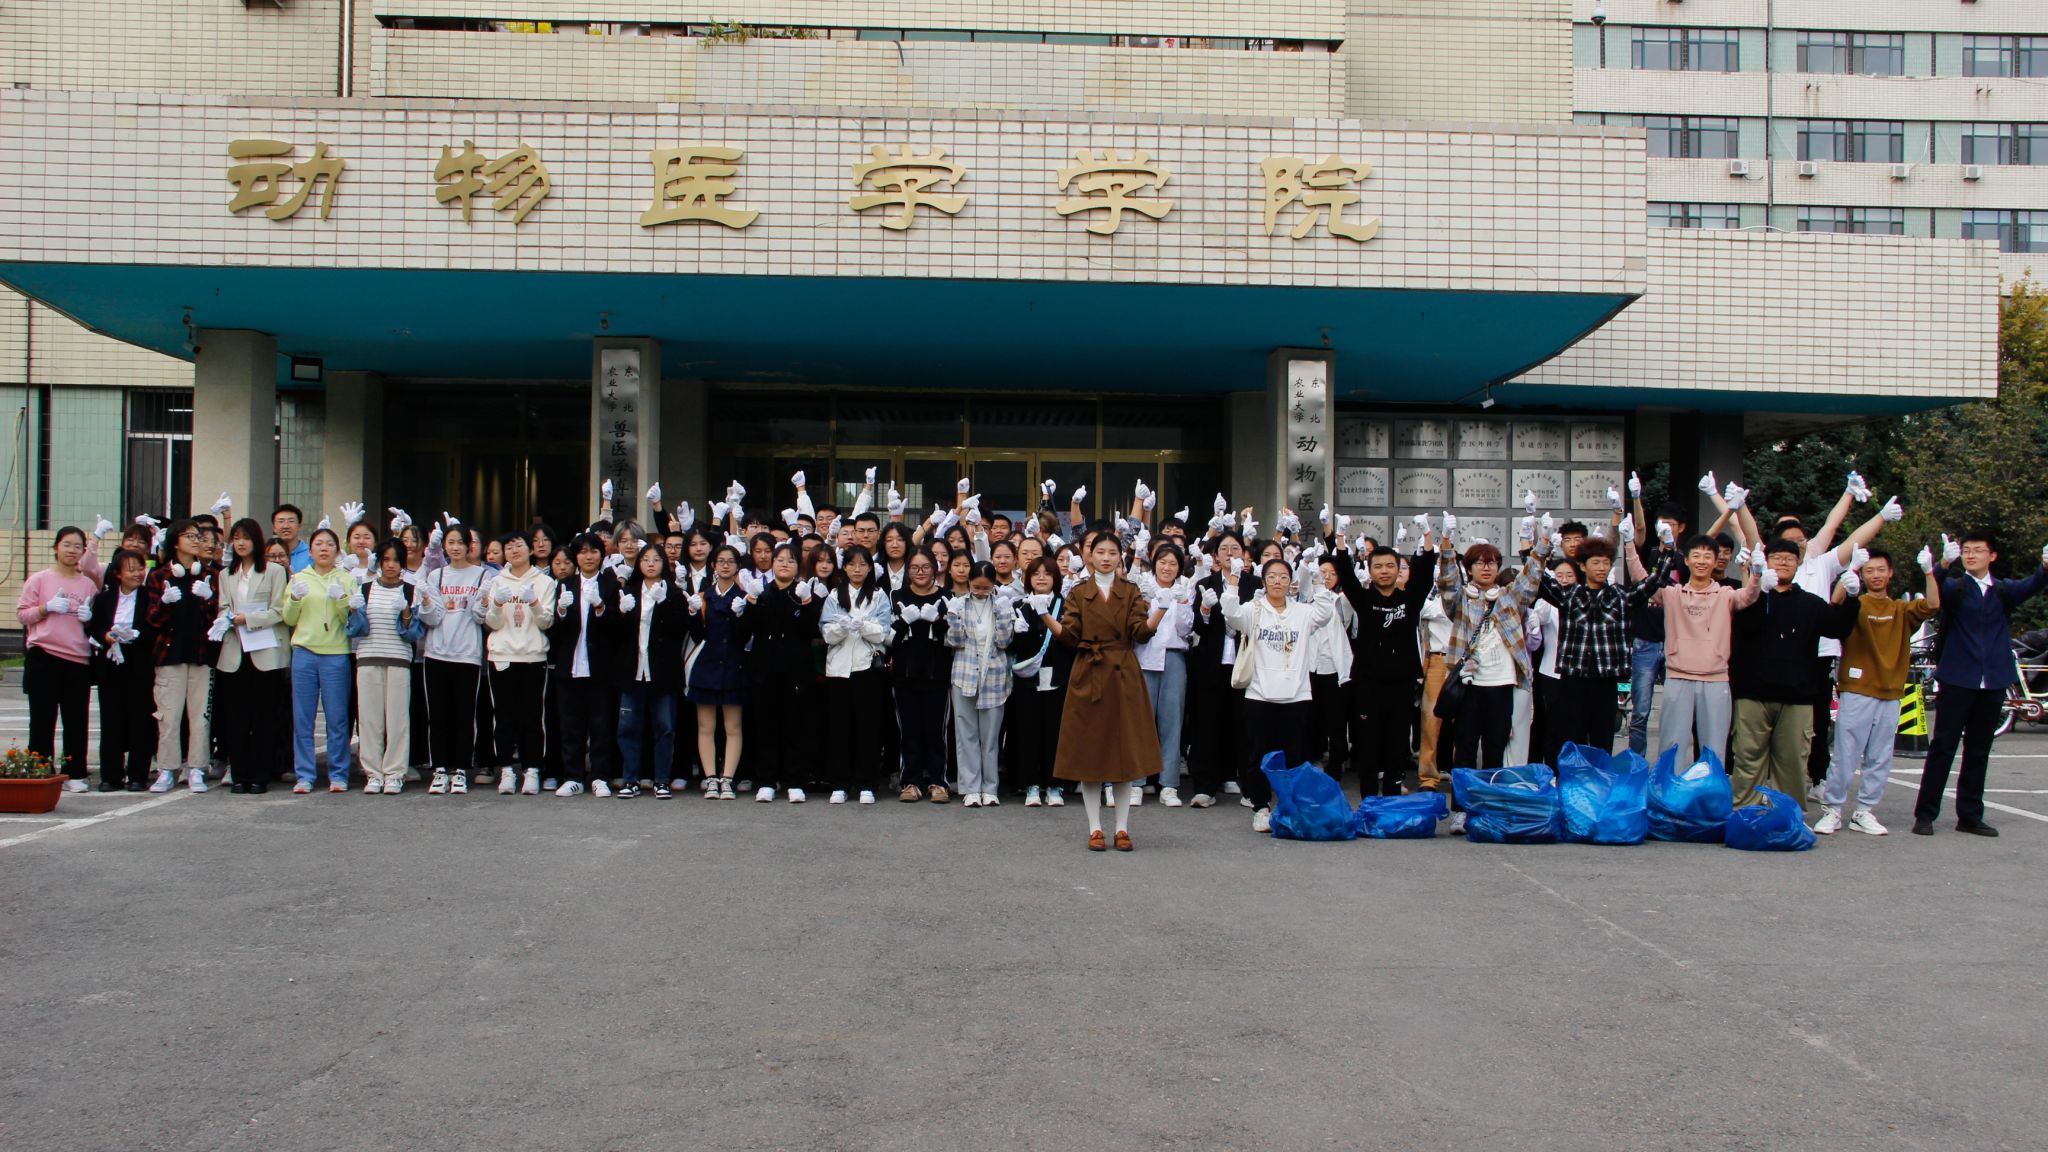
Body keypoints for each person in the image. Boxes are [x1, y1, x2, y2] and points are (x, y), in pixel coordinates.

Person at [1913, 533, 2048, 837]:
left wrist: (2045, 567)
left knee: (1979, 749)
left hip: (1994, 679)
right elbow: (1936, 590)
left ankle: (1970, 815)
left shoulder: (2002, 590)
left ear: (1992, 556)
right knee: (1943, 747)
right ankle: (1925, 814)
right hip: (1958, 678)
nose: (1971, 555)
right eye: (1966, 551)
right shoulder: (1957, 588)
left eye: (1978, 550)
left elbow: (2033, 584)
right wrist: (1941, 565)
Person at [1814, 547, 1941, 836]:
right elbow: (1833, 605)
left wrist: (1929, 571)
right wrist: (1850, 572)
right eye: (1869, 570)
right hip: (1857, 689)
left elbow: (1933, 604)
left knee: (1880, 755)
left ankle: (1864, 811)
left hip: (1891, 691)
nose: (1875, 575)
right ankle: (1832, 809)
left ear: (1890, 573)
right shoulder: (1856, 604)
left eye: (1881, 569)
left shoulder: (1901, 609)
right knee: (1845, 753)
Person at [1045, 530, 1158, 850]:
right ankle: (1095, 828)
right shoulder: (1079, 592)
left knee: (1124, 754)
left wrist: (1160, 611)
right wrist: (1044, 615)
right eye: (1100, 552)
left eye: (1112, 552)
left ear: (1120, 557)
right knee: (1089, 754)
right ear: (1089, 556)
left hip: (1123, 673)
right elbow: (1070, 636)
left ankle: (1122, 828)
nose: (1106, 558)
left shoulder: (1131, 591)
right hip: (1089, 671)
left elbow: (1140, 633)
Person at [1728, 540, 1855, 814]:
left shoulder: (1810, 603)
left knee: (1793, 762)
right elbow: (1742, 629)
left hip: (1797, 696)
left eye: (1790, 558)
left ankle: (1788, 817)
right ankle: (1744, 815)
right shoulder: (1749, 598)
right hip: (1752, 693)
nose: (1783, 562)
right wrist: (1758, 590)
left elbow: (1839, 627)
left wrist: (1853, 597)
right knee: (1748, 759)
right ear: (1766, 562)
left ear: (1799, 564)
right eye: (1777, 557)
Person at [1629, 535, 1761, 771]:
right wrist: (1629, 544)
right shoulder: (1672, 594)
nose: (1701, 561)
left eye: (1707, 556)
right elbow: (1642, 579)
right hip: (1678, 675)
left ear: (1716, 561)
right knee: (1672, 745)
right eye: (1696, 556)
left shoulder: (1725, 594)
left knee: (1714, 746)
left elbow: (1748, 596)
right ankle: (1668, 789)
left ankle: (1709, 790)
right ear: (1687, 560)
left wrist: (1757, 574)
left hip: (1715, 677)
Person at [1437, 523, 1551, 784]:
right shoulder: (1462, 599)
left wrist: (1543, 541)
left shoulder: (1510, 597)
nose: (1486, 568)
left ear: (1498, 567)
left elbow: (1531, 577)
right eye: (1479, 563)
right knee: (1464, 750)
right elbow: (1448, 583)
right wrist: (1446, 541)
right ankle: (1462, 804)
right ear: (1469, 569)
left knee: (1495, 751)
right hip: (1469, 685)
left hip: (1502, 685)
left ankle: (1490, 802)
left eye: (1491, 563)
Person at [1331, 527, 1435, 796]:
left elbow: (1425, 577)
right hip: (1368, 684)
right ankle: (1368, 801)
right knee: (1368, 744)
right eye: (1378, 566)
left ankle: (1391, 798)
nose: (1385, 571)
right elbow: (1346, 576)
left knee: (1397, 745)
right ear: (1370, 571)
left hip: (1402, 683)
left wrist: (1427, 536)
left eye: (1390, 566)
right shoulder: (1364, 599)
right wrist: (1339, 539)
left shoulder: (1409, 600)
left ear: (1399, 569)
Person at [1538, 533, 1647, 756]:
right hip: (1573, 676)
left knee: (1602, 737)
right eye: (1596, 562)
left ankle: (1600, 775)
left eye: (1606, 562)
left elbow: (1652, 584)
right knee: (1570, 735)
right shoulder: (1570, 595)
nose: (1602, 568)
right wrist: (1540, 547)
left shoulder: (1619, 596)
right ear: (1582, 566)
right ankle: (1570, 775)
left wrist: (1667, 548)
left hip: (1606, 677)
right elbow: (1538, 579)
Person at [16, 526, 104, 787]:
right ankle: (41, 769)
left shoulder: (89, 585)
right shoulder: (39, 579)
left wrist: (91, 619)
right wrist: (46, 608)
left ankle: (74, 772)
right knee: (42, 720)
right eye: (67, 545)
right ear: (56, 547)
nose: (72, 551)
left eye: (78, 546)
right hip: (44, 656)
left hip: (77, 660)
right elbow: (22, 614)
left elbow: (97, 623)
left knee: (76, 721)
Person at [145, 518, 222, 793]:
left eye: (198, 536)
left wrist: (209, 598)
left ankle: (197, 767)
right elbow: (152, 619)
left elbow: (218, 618)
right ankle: (167, 769)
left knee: (200, 717)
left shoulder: (210, 575)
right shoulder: (159, 576)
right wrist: (165, 603)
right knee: (168, 716)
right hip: (169, 655)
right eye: (189, 536)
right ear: (175, 542)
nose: (196, 541)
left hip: (201, 655)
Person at [213, 518, 289, 794]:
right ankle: (239, 774)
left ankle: (260, 774)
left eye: (246, 538)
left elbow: (279, 611)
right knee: (237, 718)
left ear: (256, 541)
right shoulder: (226, 574)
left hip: (264, 649)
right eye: (236, 538)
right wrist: (227, 618)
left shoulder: (274, 571)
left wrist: (249, 619)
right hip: (235, 649)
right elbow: (223, 606)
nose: (241, 543)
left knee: (263, 716)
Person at [480, 531, 557, 796]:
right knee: (503, 717)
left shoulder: (544, 582)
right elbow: (493, 623)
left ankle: (532, 769)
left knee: (532, 717)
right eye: (509, 547)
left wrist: (533, 602)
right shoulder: (497, 581)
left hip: (532, 656)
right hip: (502, 656)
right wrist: (497, 603)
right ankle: (506, 770)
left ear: (530, 550)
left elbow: (546, 622)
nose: (514, 550)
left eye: (519, 545)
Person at [745, 542, 824, 803]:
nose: (784, 564)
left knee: (795, 726)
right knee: (765, 726)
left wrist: (808, 602)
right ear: (772, 563)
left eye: (790, 560)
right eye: (780, 559)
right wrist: (751, 603)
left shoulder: (803, 593)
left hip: (796, 670)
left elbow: (812, 631)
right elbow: (749, 629)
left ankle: (795, 781)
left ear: (797, 566)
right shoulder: (761, 592)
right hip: (764, 669)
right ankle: (767, 780)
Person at [605, 543, 686, 798]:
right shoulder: (627, 592)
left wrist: (665, 604)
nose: (651, 564)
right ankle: (630, 779)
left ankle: (662, 779)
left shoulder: (674, 593)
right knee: (628, 727)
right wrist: (620, 612)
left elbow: (680, 629)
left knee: (665, 728)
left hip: (662, 671)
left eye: (656, 559)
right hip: (632, 670)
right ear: (638, 564)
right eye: (646, 559)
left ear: (664, 563)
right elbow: (613, 634)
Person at [1186, 531, 1257, 807]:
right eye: (1224, 548)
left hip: (1244, 665)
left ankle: (1250, 789)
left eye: (1235, 548)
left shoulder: (1255, 584)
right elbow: (1197, 627)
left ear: (1244, 554)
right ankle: (1205, 787)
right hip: (1212, 664)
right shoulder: (1206, 584)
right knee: (1207, 725)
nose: (1230, 553)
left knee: (1245, 727)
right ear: (1215, 555)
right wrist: (1205, 610)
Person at [283, 528, 356, 793]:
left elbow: (350, 619)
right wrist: (294, 598)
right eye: (318, 544)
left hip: (336, 653)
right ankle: (305, 774)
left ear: (337, 551)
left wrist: (342, 600)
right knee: (303, 718)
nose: (324, 548)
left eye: (329, 544)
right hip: (304, 652)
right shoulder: (299, 578)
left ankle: (338, 773)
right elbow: (289, 618)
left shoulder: (346, 579)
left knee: (337, 717)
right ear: (310, 550)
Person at [417, 526, 488, 795]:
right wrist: (426, 601)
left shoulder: (481, 575)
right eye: (451, 542)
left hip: (467, 654)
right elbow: (432, 618)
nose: (456, 547)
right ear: (444, 546)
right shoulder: (436, 575)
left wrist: (483, 602)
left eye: (460, 542)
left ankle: (460, 770)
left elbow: (479, 617)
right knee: (438, 715)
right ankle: (440, 769)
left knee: (464, 715)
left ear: (469, 546)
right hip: (436, 654)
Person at [820, 545, 893, 804]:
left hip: (867, 667)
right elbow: (826, 632)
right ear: (844, 567)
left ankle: (867, 784)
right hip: (838, 669)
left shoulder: (879, 595)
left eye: (863, 564)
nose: (857, 569)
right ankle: (840, 783)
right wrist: (841, 628)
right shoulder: (834, 595)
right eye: (852, 564)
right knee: (839, 727)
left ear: (870, 568)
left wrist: (863, 626)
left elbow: (884, 632)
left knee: (868, 727)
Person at [348, 540, 422, 794]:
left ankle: (394, 773)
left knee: (398, 720)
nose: (391, 565)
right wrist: (353, 610)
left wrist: (406, 612)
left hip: (399, 659)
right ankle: (373, 773)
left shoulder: (410, 591)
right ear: (379, 562)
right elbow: (356, 629)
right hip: (368, 658)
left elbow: (412, 634)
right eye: (386, 559)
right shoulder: (365, 588)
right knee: (369, 720)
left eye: (396, 560)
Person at [944, 560, 1017, 807]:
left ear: (994, 584)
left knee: (990, 736)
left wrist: (1004, 615)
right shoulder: (959, 604)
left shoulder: (1001, 604)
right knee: (966, 734)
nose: (981, 591)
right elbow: (955, 642)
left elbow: (1005, 642)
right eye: (976, 586)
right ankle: (970, 788)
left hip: (995, 677)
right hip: (964, 675)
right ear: (969, 583)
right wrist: (953, 618)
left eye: (986, 587)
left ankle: (990, 788)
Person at [550, 532, 617, 796]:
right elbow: (554, 630)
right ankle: (573, 776)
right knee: (570, 724)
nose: (588, 556)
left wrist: (601, 608)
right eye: (582, 552)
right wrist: (561, 611)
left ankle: (600, 776)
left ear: (602, 555)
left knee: (601, 724)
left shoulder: (610, 584)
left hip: (600, 666)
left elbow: (618, 627)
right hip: (570, 665)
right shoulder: (565, 584)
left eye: (593, 551)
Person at [685, 544, 751, 799]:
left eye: (730, 561)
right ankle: (711, 777)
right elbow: (698, 635)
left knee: (733, 726)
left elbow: (745, 637)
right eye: (720, 561)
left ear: (738, 566)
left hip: (734, 666)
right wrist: (692, 613)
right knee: (705, 726)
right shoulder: (704, 597)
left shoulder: (744, 596)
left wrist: (741, 615)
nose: (725, 565)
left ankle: (728, 778)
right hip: (707, 666)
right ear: (713, 565)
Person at [88, 549, 156, 791]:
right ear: (117, 574)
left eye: (140, 568)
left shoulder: (150, 597)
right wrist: (106, 636)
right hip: (111, 664)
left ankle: (138, 775)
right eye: (131, 569)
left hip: (140, 665)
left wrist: (137, 634)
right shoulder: (104, 599)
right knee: (111, 720)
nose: (137, 573)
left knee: (141, 720)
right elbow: (94, 627)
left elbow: (156, 627)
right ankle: (111, 775)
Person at [889, 547, 953, 803]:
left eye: (926, 567)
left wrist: (937, 622)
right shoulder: (896, 596)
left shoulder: (946, 597)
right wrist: (903, 622)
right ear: (908, 571)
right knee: (909, 731)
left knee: (936, 732)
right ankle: (911, 782)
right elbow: (889, 638)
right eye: (915, 567)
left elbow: (953, 637)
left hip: (937, 675)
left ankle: (938, 782)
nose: (920, 572)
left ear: (935, 568)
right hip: (905, 674)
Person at [1010, 556, 1073, 808]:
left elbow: (1071, 641)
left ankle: (1055, 785)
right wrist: (1016, 632)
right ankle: (1031, 784)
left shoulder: (1066, 606)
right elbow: (1012, 648)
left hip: (1058, 678)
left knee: (1055, 733)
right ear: (1028, 579)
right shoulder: (1019, 605)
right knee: (1028, 733)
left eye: (1047, 573)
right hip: (1028, 681)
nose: (1042, 578)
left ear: (1056, 578)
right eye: (1036, 574)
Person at [1134, 543, 1195, 805]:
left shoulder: (1185, 589)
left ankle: (1168, 784)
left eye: (1173, 563)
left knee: (1172, 722)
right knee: (1140, 722)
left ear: (1179, 567)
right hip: (1143, 657)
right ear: (1154, 562)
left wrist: (1180, 603)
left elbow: (1185, 629)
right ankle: (1136, 782)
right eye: (1162, 562)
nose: (1167, 567)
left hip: (1173, 657)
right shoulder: (1142, 586)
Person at [273, 504, 311, 572]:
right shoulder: (267, 555)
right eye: (281, 521)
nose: (286, 526)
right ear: (274, 528)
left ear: (299, 526)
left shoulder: (311, 554)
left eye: (291, 521)